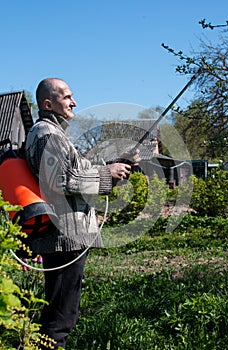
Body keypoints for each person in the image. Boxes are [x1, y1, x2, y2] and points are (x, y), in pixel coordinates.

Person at [25, 78, 140, 349]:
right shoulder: (47, 134)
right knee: (60, 318)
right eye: (67, 97)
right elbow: (61, 180)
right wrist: (106, 174)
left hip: (65, 236)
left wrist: (116, 164)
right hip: (64, 236)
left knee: (61, 312)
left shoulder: (54, 135)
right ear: (48, 103)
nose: (74, 102)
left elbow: (79, 168)